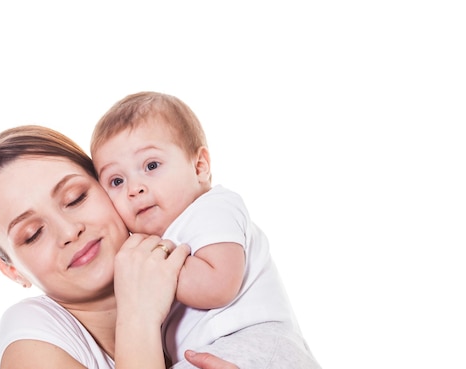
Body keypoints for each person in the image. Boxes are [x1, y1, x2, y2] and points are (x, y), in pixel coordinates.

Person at [0, 125, 239, 369]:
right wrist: (138, 317)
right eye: (33, 234)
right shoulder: (29, 336)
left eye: (76, 198)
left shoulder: (202, 259)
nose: (70, 232)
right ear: (13, 271)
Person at [90, 91, 321, 369]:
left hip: (254, 342)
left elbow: (217, 285)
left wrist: (150, 271)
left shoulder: (214, 207)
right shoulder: (160, 238)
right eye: (116, 181)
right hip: (213, 351)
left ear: (200, 167)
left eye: (151, 165)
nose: (134, 189)